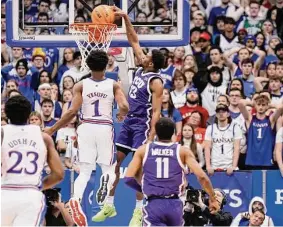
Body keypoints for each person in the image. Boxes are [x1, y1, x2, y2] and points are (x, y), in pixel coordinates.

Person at [95, 7, 165, 226]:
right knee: (113, 164)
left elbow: (156, 112)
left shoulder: (156, 81)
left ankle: (137, 212)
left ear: (151, 63)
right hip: (128, 122)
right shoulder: (141, 68)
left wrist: (152, 136)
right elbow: (133, 40)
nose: (142, 55)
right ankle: (109, 204)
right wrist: (125, 18)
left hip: (142, 127)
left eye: (146, 56)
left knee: (137, 171)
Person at [45, 50, 129, 227]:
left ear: (88, 66)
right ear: (106, 66)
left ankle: (75, 199)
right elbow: (124, 106)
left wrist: (52, 129)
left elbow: (72, 112)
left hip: (86, 126)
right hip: (104, 126)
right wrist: (121, 115)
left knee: (84, 171)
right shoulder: (113, 84)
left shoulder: (80, 85)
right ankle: (105, 186)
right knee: (108, 168)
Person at [124, 117, 220, 226]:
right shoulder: (182, 151)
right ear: (174, 133)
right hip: (175, 205)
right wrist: (212, 198)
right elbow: (202, 176)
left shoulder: (143, 150)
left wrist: (144, 188)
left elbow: (128, 178)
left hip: (154, 204)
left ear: (156, 132)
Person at [1, 95, 64, 226]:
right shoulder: (44, 137)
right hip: (30, 194)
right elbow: (58, 174)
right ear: (29, 114)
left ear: (6, 113)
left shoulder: (2, 133)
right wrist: (38, 186)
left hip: (4, 191)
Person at [239, 95, 283, 169]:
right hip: (252, 159)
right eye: (258, 104)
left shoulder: (270, 119)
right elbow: (240, 103)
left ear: (267, 106)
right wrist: (253, 103)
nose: (261, 107)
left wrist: (269, 105)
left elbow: (281, 107)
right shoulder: (250, 119)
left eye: (263, 105)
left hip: (266, 159)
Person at [204, 104, 242, 175]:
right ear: (216, 114)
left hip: (229, 166)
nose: (221, 114)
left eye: (223, 112)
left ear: (228, 114)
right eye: (218, 112)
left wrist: (233, 166)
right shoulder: (210, 128)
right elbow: (207, 148)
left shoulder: (235, 128)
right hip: (214, 166)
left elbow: (236, 148)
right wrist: (208, 166)